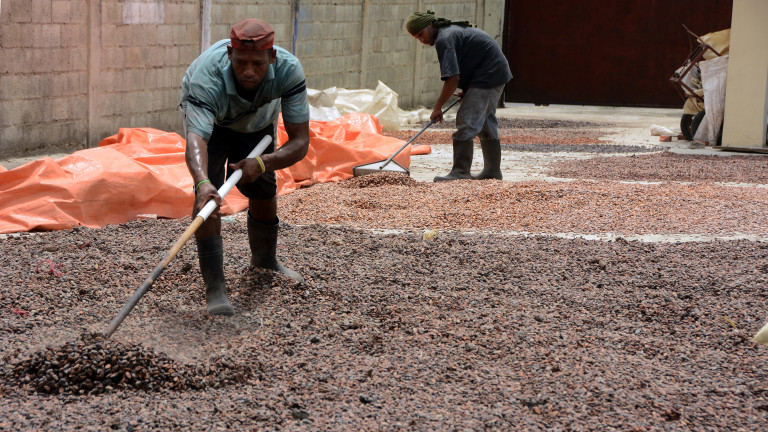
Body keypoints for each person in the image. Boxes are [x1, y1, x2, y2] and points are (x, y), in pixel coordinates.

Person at [179, 19, 310, 315]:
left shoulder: (289, 70)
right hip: (211, 123)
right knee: (208, 198)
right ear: (230, 55)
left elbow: (301, 141)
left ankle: (265, 260)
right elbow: (196, 140)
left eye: (257, 64)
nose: (249, 71)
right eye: (240, 63)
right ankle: (215, 287)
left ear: (271, 57)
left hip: (256, 121)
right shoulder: (207, 77)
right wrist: (202, 182)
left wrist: (262, 163)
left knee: (263, 187)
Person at [406, 10, 513, 182]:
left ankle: (461, 172)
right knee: (485, 122)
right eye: (416, 37)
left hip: (489, 74)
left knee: (466, 120)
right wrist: (470, 88)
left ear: (430, 25)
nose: (421, 40)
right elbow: (469, 60)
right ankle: (492, 171)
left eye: (421, 34)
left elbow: (452, 78)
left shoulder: (445, 39)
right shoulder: (448, 33)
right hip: (492, 72)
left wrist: (437, 107)